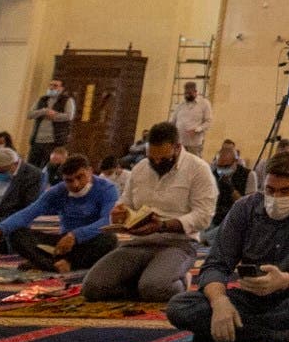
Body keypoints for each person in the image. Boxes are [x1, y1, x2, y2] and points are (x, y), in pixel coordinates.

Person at [168, 150, 289, 342]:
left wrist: (286, 281)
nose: (276, 196)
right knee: (180, 307)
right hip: (250, 299)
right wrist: (220, 302)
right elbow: (216, 264)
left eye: (286, 191)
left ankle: (242, 332)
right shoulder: (244, 207)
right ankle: (275, 335)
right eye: (270, 189)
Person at [79, 122, 217, 303]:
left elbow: (203, 216)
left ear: (177, 148)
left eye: (163, 159)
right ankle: (145, 281)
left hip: (177, 244)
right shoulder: (141, 168)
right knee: (92, 288)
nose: (157, 163)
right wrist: (120, 212)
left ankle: (179, 282)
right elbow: (126, 202)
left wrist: (162, 226)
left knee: (155, 289)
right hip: (139, 243)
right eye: (153, 158)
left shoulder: (198, 170)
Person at [0, 153, 120, 277]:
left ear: (90, 172)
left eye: (80, 177)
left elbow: (106, 221)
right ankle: (54, 264)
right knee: (16, 234)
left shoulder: (106, 189)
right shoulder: (58, 191)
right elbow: (29, 212)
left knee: (109, 239)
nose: (76, 184)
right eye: (69, 181)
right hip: (62, 243)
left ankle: (57, 263)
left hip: (90, 241)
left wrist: (76, 235)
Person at [26, 81, 76, 166]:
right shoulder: (42, 99)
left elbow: (69, 116)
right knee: (32, 166)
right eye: (50, 85)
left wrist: (54, 116)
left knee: (48, 166)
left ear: (62, 89)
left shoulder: (67, 100)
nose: (52, 87)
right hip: (37, 140)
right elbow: (30, 114)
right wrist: (44, 111)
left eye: (55, 86)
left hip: (54, 141)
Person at [209, 140, 249, 226]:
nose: (222, 169)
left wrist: (230, 187)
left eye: (226, 166)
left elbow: (248, 207)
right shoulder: (213, 174)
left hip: (236, 221)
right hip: (214, 218)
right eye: (219, 166)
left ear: (235, 162)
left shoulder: (248, 175)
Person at [172, 81, 212, 152]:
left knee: (194, 162)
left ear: (195, 91)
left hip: (194, 144)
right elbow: (173, 121)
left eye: (189, 93)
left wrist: (197, 130)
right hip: (179, 142)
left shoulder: (204, 103)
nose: (187, 96)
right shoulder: (181, 105)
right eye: (185, 93)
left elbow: (208, 122)